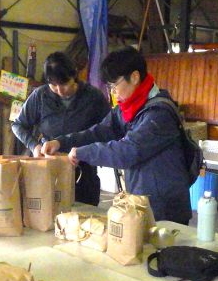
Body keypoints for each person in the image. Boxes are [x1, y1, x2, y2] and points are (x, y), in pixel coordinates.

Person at [42, 46, 192, 224]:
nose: (112, 92)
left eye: (114, 86)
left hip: (166, 209)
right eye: (110, 87)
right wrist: (61, 143)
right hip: (143, 201)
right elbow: (99, 131)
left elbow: (127, 151)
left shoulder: (158, 114)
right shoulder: (129, 108)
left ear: (134, 77)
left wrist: (83, 152)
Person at [12, 51, 110, 205]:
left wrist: (91, 152)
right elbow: (18, 125)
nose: (59, 90)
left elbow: (108, 130)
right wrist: (34, 146)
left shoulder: (93, 97)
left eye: (64, 83)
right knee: (47, 212)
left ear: (74, 75)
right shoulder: (40, 96)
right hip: (49, 171)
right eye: (53, 85)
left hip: (83, 173)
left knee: (84, 215)